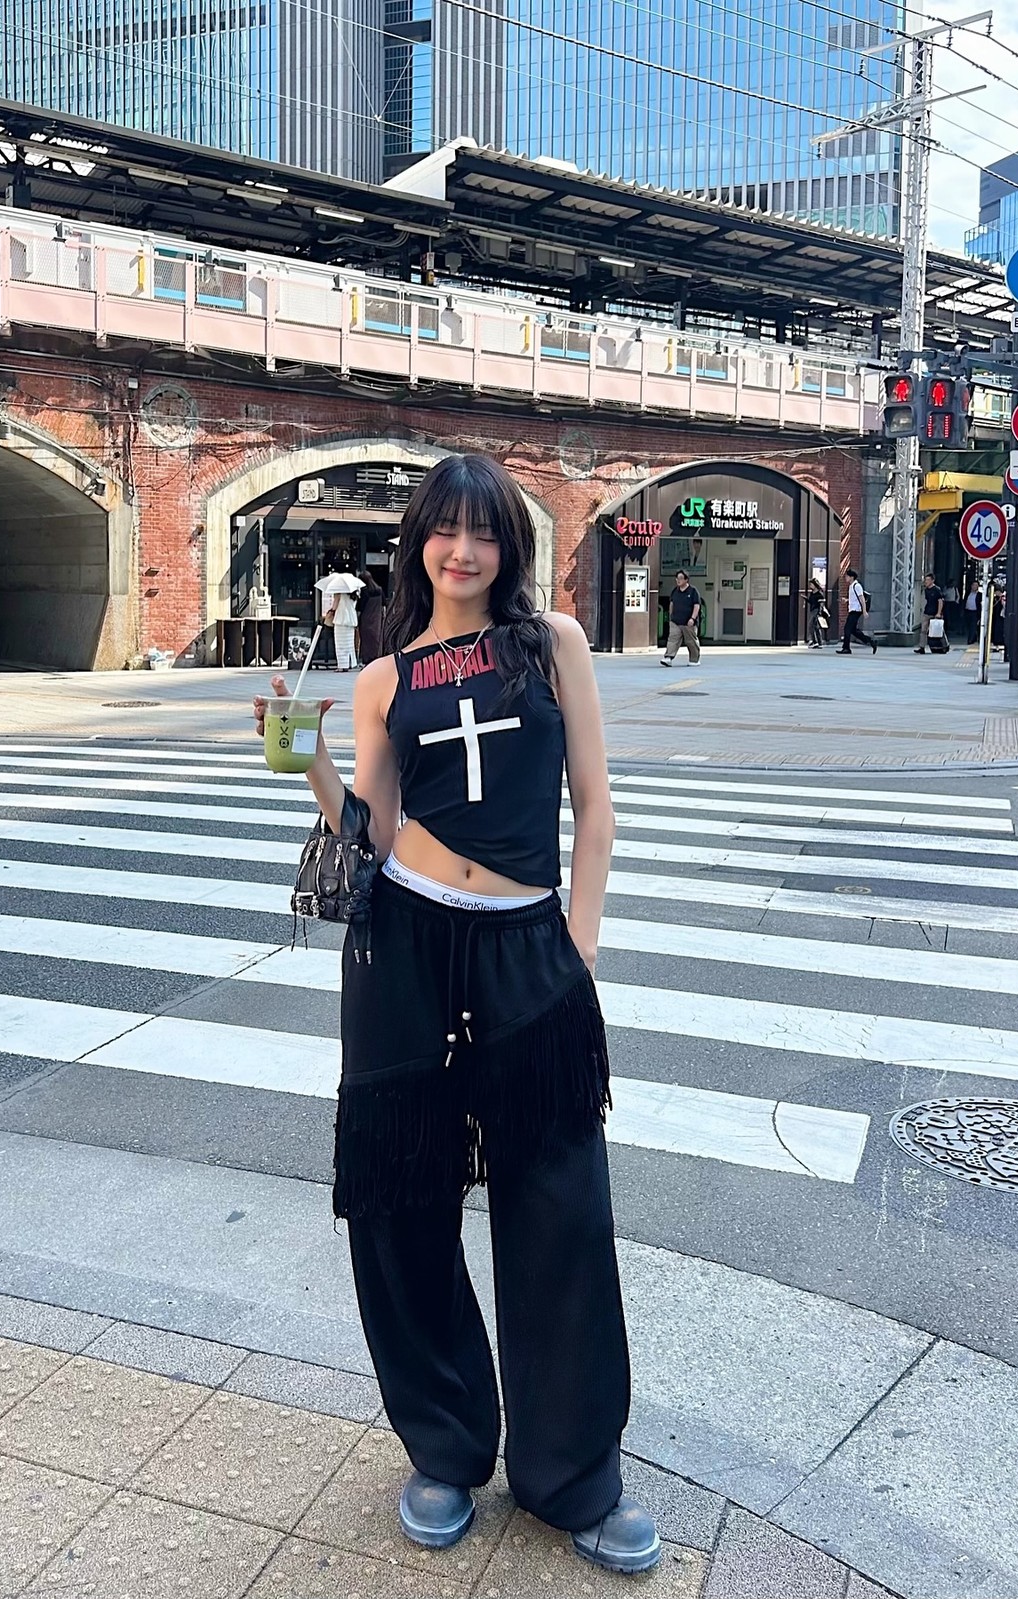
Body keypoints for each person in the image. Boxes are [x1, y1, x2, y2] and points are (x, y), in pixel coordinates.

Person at [252, 454, 660, 1576]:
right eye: (445, 530)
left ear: (508, 547)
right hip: (406, 950)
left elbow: (594, 807)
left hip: (529, 944)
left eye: (484, 533)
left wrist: (578, 943)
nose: (463, 551)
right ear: (418, 543)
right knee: (402, 1203)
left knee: (560, 1202)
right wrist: (308, 759)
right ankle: (443, 1445)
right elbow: (371, 835)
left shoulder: (551, 644)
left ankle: (571, 1473)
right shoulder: (385, 678)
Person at [660, 569, 702, 665]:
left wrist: (692, 618)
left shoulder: (693, 591)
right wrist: (671, 616)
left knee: (691, 642)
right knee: (672, 639)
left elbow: (696, 606)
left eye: (681, 578)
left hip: (688, 622)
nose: (678, 580)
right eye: (677, 578)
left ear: (686, 579)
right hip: (675, 621)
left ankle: (694, 660)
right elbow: (672, 603)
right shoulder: (675, 591)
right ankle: (668, 657)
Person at [836, 568, 877, 655]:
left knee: (847, 629)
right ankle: (871, 641)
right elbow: (854, 599)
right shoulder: (851, 586)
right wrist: (847, 600)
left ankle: (846, 648)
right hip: (853, 610)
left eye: (847, 576)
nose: (845, 577)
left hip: (856, 611)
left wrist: (864, 611)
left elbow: (862, 599)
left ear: (852, 577)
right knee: (853, 630)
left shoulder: (857, 586)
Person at [324, 582, 360, 672]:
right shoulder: (355, 593)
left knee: (340, 644)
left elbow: (335, 606)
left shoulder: (339, 593)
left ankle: (342, 665)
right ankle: (350, 663)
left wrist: (331, 611)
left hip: (341, 618)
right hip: (351, 619)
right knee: (349, 644)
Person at [357, 569, 385, 664]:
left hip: (366, 618)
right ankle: (376, 656)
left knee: (366, 640)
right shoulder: (379, 590)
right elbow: (384, 603)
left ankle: (367, 658)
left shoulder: (365, 591)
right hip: (377, 618)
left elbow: (360, 607)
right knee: (376, 638)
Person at [915, 573, 944, 654]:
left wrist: (939, 613)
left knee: (936, 630)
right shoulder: (926, 590)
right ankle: (922, 647)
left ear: (932, 581)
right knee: (923, 630)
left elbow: (940, 601)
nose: (926, 581)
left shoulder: (937, 590)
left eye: (928, 580)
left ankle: (941, 646)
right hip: (927, 612)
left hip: (935, 613)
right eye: (925, 580)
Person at [805, 577, 827, 649]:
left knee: (810, 625)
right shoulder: (812, 593)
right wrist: (806, 599)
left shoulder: (819, 594)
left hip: (816, 610)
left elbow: (822, 604)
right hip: (812, 610)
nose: (810, 586)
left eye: (811, 584)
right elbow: (811, 602)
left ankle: (815, 641)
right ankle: (819, 643)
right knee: (816, 627)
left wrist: (819, 612)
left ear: (815, 585)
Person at [963, 579, 981, 644]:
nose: (974, 587)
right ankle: (974, 637)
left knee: (973, 626)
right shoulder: (967, 593)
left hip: (975, 612)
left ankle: (970, 640)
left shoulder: (980, 595)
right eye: (973, 585)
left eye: (976, 585)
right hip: (967, 611)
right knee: (968, 625)